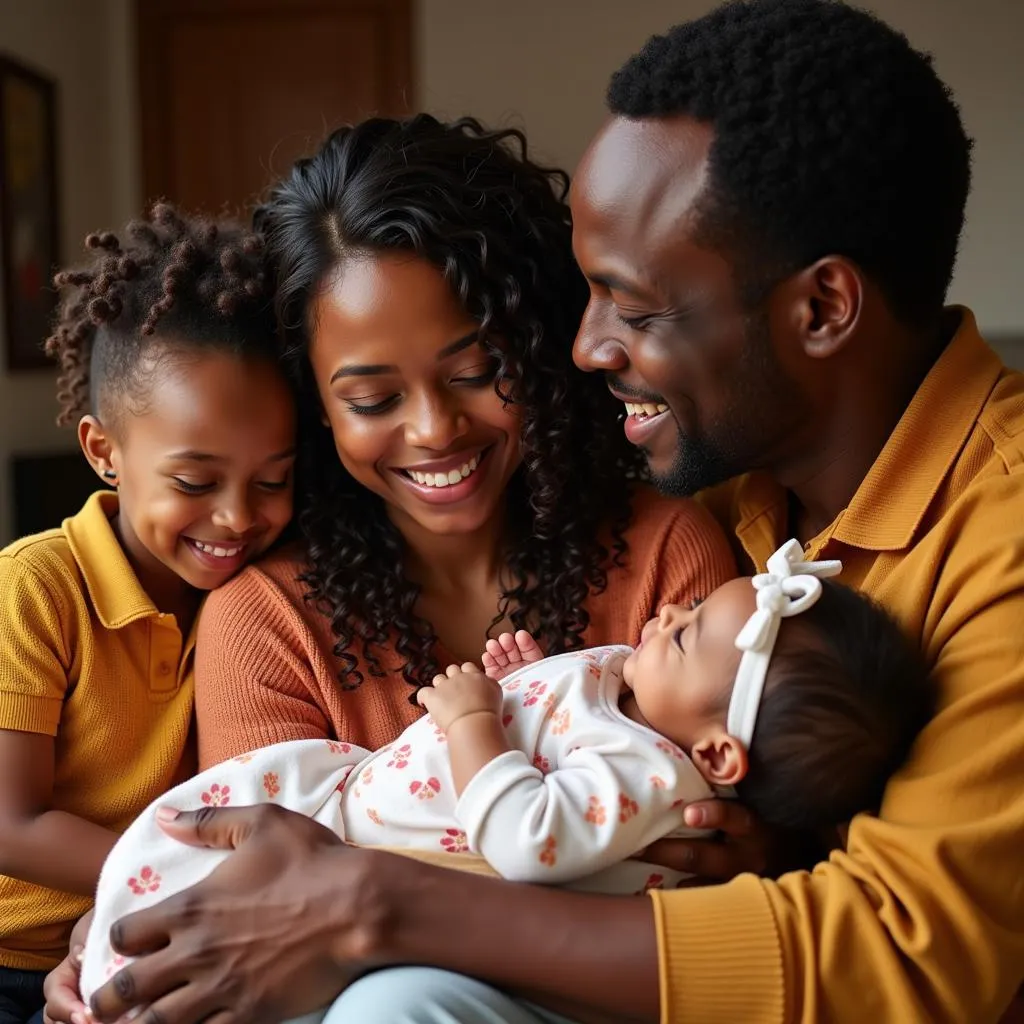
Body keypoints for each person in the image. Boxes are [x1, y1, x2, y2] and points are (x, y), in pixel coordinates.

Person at [48, 2, 1024, 1021]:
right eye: (371, 397)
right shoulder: (746, 495)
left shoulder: (920, 533)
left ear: (820, 308)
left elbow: (894, 950)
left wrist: (379, 900)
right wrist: (133, 913)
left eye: (633, 308)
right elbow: (241, 890)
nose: (588, 350)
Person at [79, 538, 933, 1019]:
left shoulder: (651, 765)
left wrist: (476, 722)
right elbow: (573, 722)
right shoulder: (656, 698)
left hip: (442, 915)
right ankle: (119, 954)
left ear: (715, 760)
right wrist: (536, 680)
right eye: (373, 394)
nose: (669, 614)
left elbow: (535, 833)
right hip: (352, 817)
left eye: (686, 631)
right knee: (211, 850)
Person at [0, 204, 296, 1024]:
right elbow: (10, 821)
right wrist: (174, 868)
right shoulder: (35, 589)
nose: (236, 518)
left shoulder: (253, 598)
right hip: (15, 956)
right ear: (104, 452)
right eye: (196, 484)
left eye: (271, 481)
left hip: (136, 929)